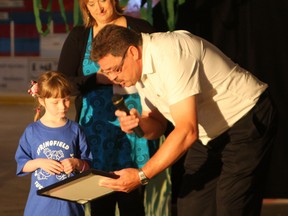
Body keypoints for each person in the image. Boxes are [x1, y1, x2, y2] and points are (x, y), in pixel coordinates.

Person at [90, 24, 278, 216]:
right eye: (107, 72)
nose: (113, 78)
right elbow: (157, 124)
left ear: (132, 52)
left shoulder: (170, 53)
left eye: (116, 69)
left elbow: (187, 131)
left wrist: (141, 176)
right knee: (192, 207)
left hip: (244, 117)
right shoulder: (139, 71)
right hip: (206, 133)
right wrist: (139, 124)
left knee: (231, 206)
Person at [57, 0, 171, 215]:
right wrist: (97, 79)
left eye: (102, 1)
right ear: (85, 8)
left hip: (137, 124)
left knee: (132, 198)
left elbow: (162, 67)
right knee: (101, 196)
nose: (99, 8)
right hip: (97, 131)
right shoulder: (80, 35)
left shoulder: (140, 28)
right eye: (91, 4)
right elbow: (63, 84)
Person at [15, 71, 92, 216]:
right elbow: (22, 165)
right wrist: (39, 162)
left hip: (70, 207)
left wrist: (76, 163)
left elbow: (88, 166)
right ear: (42, 101)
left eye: (66, 99)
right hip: (40, 207)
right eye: (55, 102)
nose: (62, 106)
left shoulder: (76, 129)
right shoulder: (32, 131)